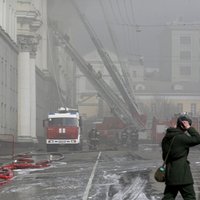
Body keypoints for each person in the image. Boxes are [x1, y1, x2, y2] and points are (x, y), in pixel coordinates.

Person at [161, 113, 200, 200]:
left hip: (170, 173)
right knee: (190, 197)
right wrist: (189, 128)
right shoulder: (181, 138)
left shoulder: (166, 138)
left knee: (168, 197)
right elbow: (198, 139)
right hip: (183, 174)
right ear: (183, 126)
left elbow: (164, 157)